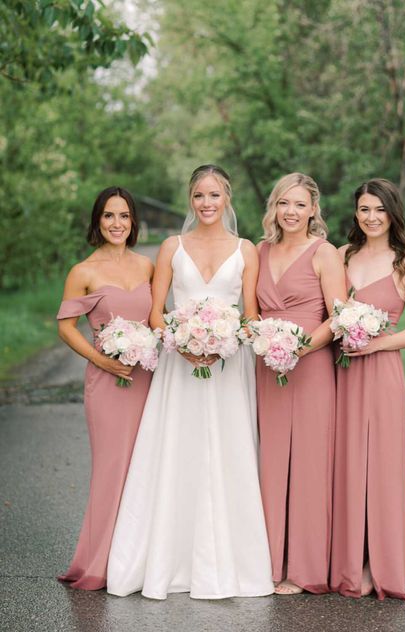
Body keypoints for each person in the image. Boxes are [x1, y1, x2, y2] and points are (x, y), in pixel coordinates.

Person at [107, 165, 274, 600]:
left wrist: (224, 341)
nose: (206, 203)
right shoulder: (171, 247)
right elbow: (157, 311)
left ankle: (232, 562)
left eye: (214, 195)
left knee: (227, 450)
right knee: (176, 450)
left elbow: (250, 313)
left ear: (227, 198)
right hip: (178, 367)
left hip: (226, 367)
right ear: (190, 199)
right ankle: (167, 559)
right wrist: (180, 342)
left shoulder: (245, 251)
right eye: (199, 195)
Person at [330, 178, 405, 600]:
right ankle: (348, 563)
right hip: (342, 371)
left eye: (379, 210)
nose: (371, 217)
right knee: (346, 465)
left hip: (383, 369)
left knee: (380, 468)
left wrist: (378, 342)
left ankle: (378, 565)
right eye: (364, 209)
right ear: (356, 213)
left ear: (392, 213)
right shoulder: (340, 255)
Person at [56, 186, 154, 590]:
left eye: (125, 216)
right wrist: (101, 359)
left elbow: (160, 318)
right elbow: (65, 327)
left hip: (148, 378)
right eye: (109, 216)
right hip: (108, 381)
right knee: (112, 470)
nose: (117, 224)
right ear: (98, 221)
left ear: (134, 222)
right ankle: (97, 561)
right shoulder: (84, 271)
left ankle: (138, 560)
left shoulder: (147, 266)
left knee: (146, 467)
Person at [256, 173, 347, 595]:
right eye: (283, 204)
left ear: (313, 210)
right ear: (273, 208)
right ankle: (268, 562)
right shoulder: (259, 251)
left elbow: (337, 315)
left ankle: (305, 569)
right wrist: (262, 339)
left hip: (309, 366)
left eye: (299, 204)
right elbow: (251, 311)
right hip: (266, 368)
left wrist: (299, 348)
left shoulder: (324, 253)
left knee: (309, 464)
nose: (290, 212)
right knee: (270, 461)